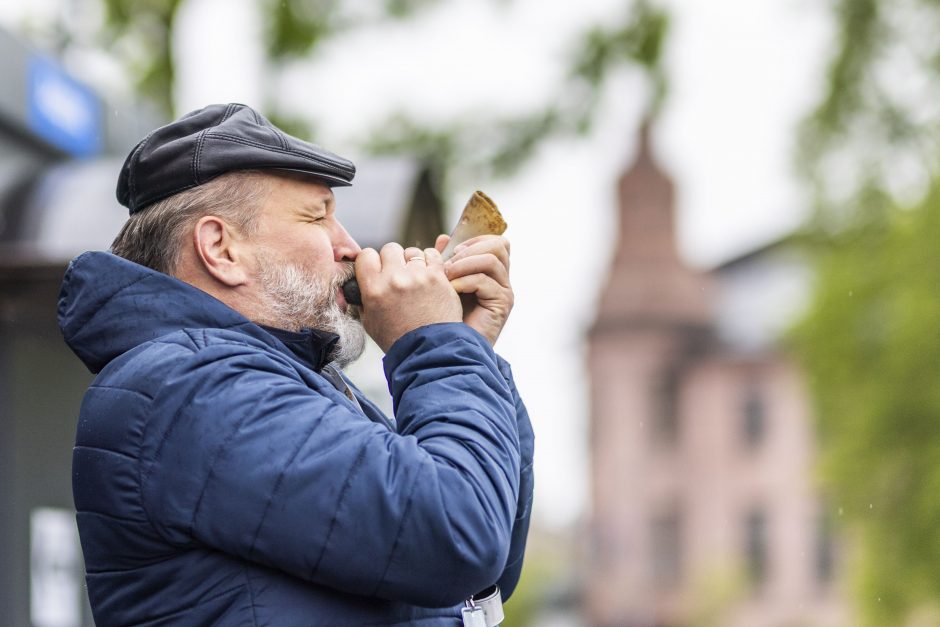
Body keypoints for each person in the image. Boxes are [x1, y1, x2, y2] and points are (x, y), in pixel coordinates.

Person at [57, 103, 534, 626]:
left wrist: (468, 348)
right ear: (222, 248)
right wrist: (436, 346)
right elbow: (458, 536)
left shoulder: (288, 383)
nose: (350, 246)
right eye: (318, 216)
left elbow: (484, 577)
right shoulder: (188, 389)